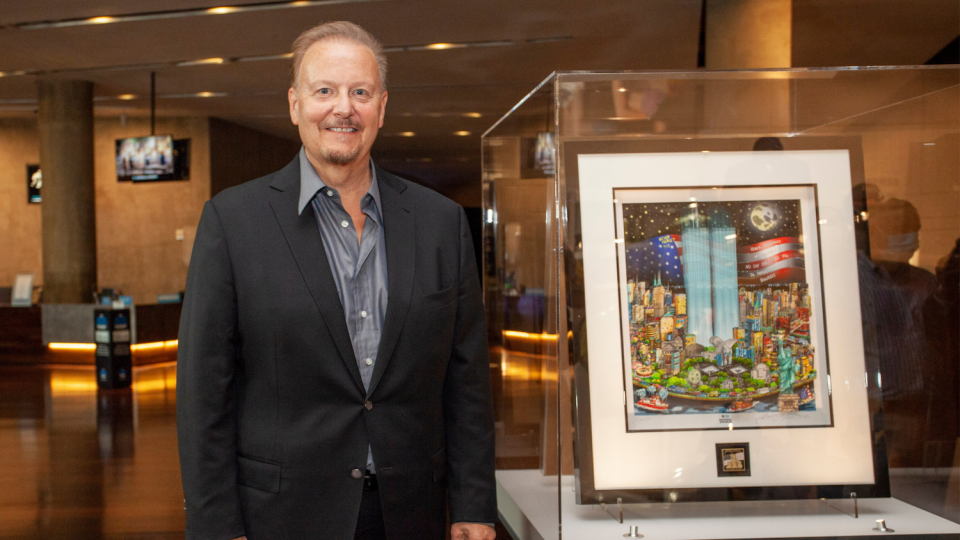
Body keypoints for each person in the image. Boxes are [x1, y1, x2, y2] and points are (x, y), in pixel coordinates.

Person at [176, 21, 497, 540]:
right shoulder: (233, 222)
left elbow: (467, 384)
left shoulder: (440, 223)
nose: (342, 108)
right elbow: (203, 395)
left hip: (411, 512)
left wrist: (475, 503)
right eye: (324, 90)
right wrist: (216, 524)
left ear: (382, 107)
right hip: (280, 518)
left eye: (360, 92)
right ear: (295, 104)